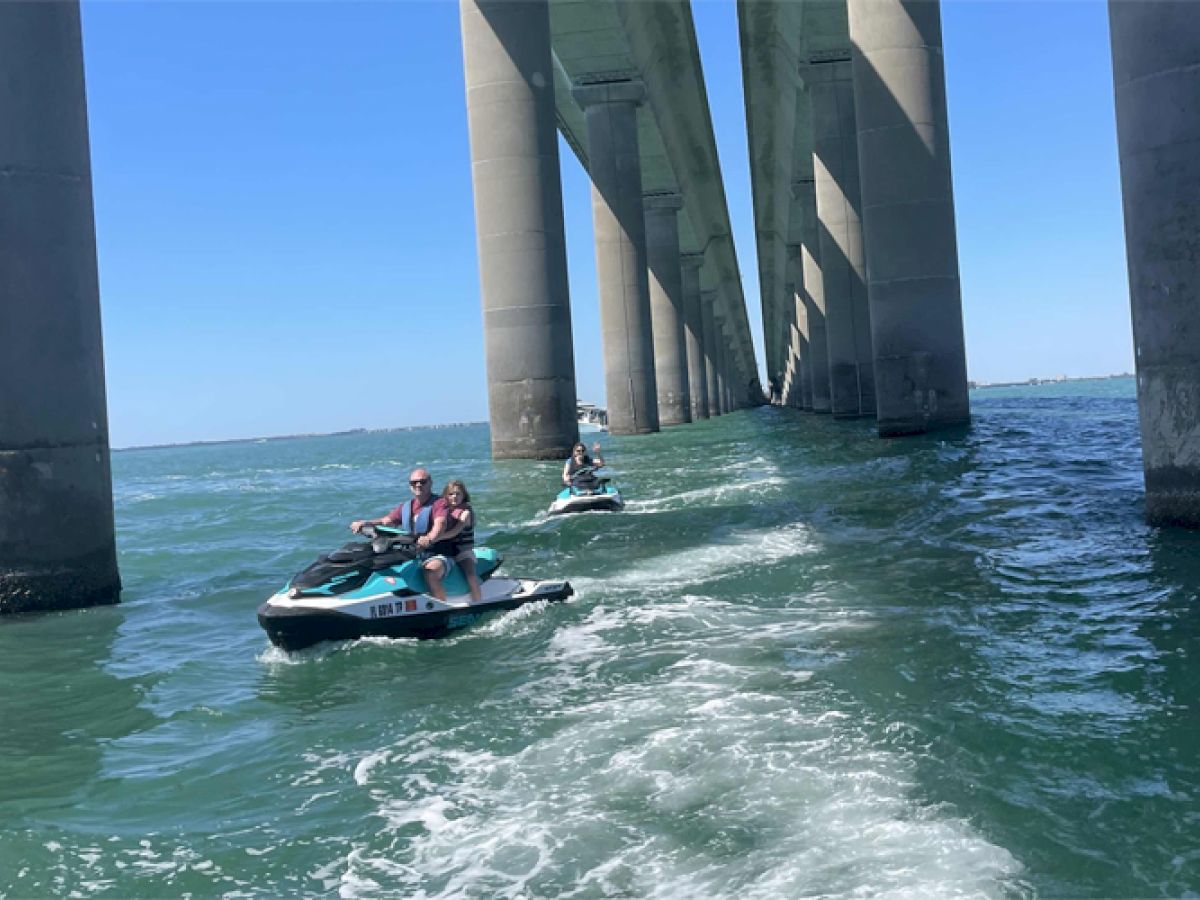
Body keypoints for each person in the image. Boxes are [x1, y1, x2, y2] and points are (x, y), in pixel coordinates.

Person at [350, 467, 452, 601]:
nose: (418, 485)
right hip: (411, 553)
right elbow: (385, 521)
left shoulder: (440, 504)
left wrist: (429, 538)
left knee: (430, 572)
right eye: (414, 482)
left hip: (438, 554)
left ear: (430, 483)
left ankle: (441, 610)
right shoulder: (406, 507)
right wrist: (365, 523)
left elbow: (440, 524)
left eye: (422, 481)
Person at [439, 480, 482, 602]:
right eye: (451, 494)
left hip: (463, 552)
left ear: (463, 496)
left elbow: (454, 532)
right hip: (447, 551)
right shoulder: (442, 511)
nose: (454, 497)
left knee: (470, 574)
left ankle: (478, 601)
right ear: (445, 496)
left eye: (458, 494)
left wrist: (434, 537)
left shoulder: (466, 513)